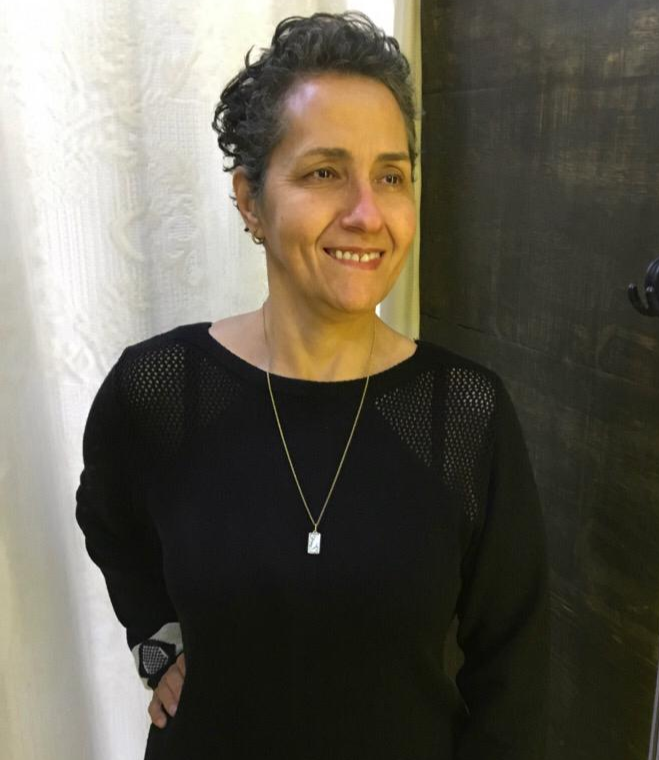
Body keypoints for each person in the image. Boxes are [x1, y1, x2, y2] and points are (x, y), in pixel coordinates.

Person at [74, 10, 550, 760]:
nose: (367, 213)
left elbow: (515, 673)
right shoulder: (163, 389)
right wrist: (156, 643)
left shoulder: (461, 413)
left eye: (390, 176)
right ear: (250, 200)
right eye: (325, 172)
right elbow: (106, 517)